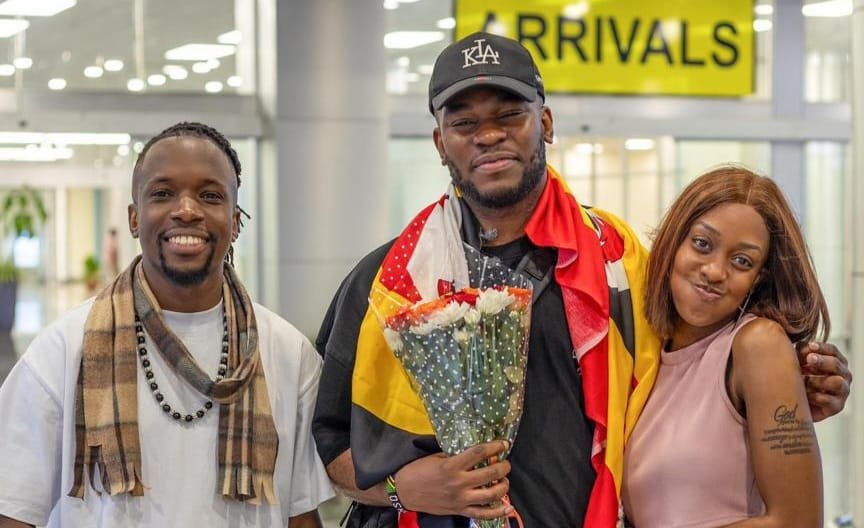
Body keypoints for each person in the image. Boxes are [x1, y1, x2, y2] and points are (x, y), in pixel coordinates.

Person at [312, 32, 852, 528]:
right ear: (439, 142)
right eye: (464, 124)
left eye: (509, 114)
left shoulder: (621, 262)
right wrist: (406, 488)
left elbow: (698, 374)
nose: (489, 136)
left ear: (544, 123)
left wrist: (791, 384)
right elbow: (327, 447)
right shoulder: (386, 284)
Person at [0, 122, 333, 528]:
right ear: (135, 219)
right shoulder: (63, 350)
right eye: (163, 193)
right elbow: (13, 510)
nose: (187, 210)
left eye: (210, 196)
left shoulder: (288, 353)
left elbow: (302, 514)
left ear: (235, 220)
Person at [623, 166, 827, 527]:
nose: (715, 271)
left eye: (742, 261)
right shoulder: (645, 351)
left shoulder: (758, 344)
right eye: (702, 244)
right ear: (673, 243)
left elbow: (798, 521)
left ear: (757, 279)